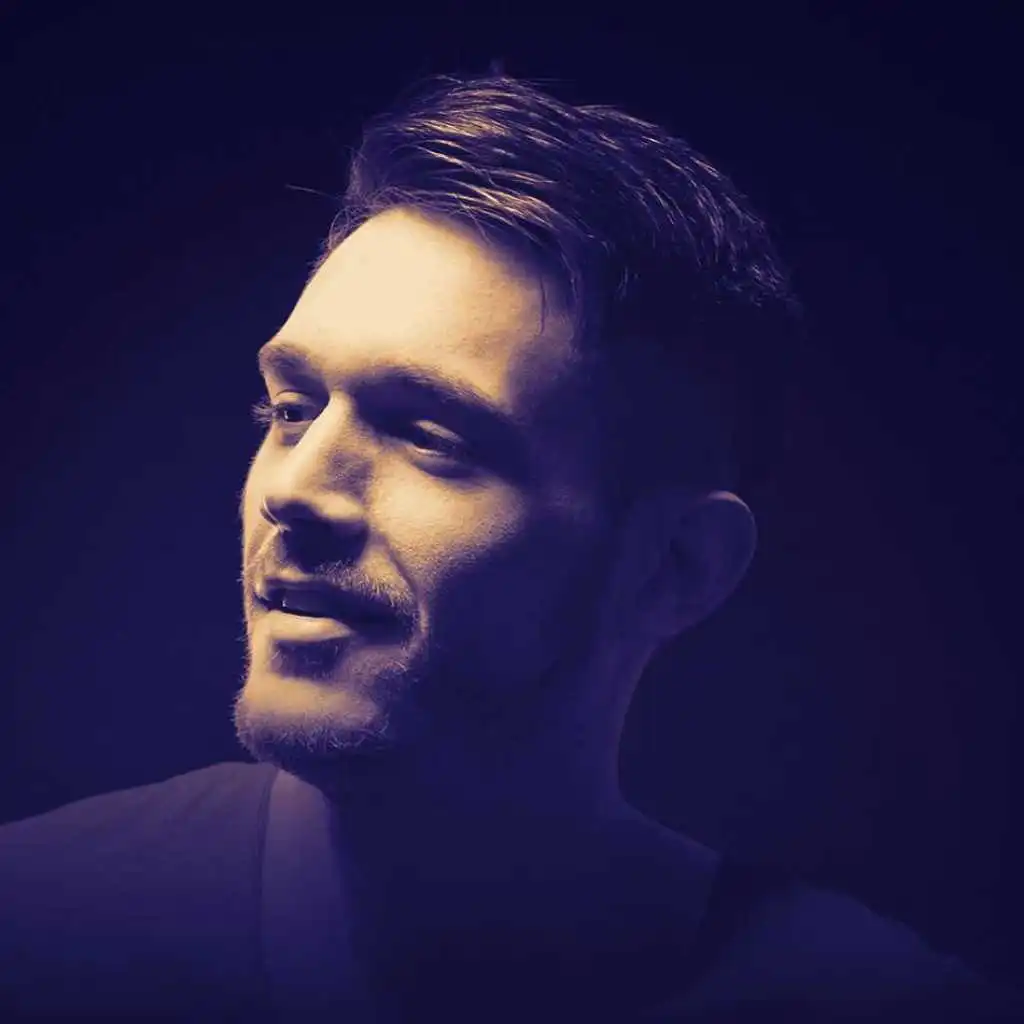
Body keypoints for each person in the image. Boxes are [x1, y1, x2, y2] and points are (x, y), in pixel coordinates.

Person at [0, 71, 1019, 1023]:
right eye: (291, 408)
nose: (294, 489)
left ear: (677, 566)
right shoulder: (34, 935)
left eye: (428, 435)